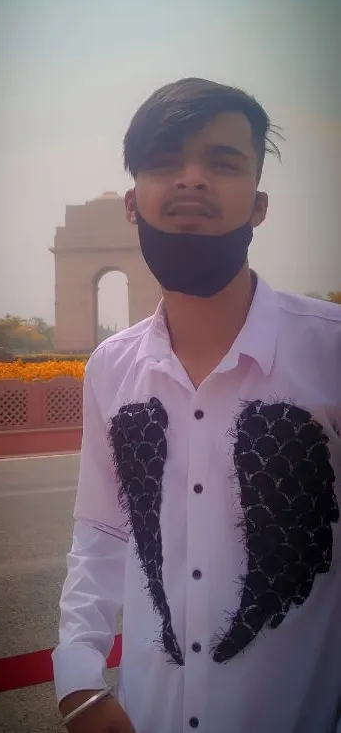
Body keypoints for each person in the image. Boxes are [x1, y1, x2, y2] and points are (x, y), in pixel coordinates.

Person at [52, 78, 341, 733]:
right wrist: (78, 682)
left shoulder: (330, 351)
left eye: (221, 161)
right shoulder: (111, 368)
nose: (191, 179)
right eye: (164, 162)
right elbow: (100, 531)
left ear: (258, 203)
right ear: (132, 202)